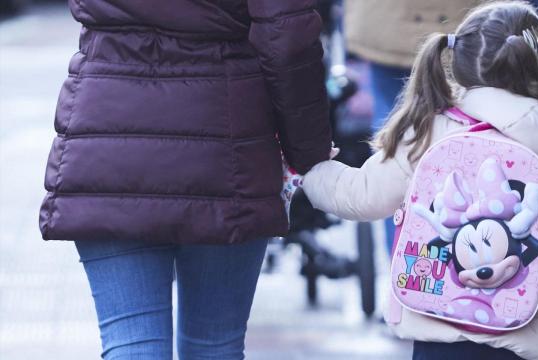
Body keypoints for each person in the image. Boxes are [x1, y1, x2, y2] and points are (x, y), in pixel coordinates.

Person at [302, 2, 538, 359]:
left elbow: (361, 195)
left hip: (435, 326)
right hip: (521, 334)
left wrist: (311, 172)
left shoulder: (429, 129)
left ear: (457, 61)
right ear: (535, 63)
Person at [38, 1, 332, 359]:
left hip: (108, 133)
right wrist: (309, 152)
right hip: (226, 145)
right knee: (215, 345)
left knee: (131, 343)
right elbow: (287, 36)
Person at [343, 0, 481, 253]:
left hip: (386, 20)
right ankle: (469, 252)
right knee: (471, 139)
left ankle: (401, 259)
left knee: (393, 139)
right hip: (465, 19)